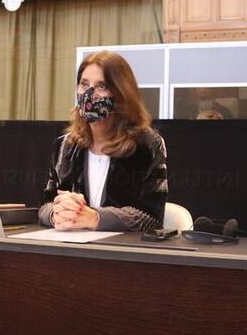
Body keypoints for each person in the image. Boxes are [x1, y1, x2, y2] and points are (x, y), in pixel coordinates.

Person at [38, 51, 168, 232]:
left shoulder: (147, 145)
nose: (89, 94)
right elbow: (44, 207)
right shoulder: (65, 146)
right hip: (70, 244)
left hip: (119, 247)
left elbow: (152, 219)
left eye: (101, 86)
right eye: (84, 84)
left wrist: (95, 217)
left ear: (122, 94)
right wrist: (56, 213)